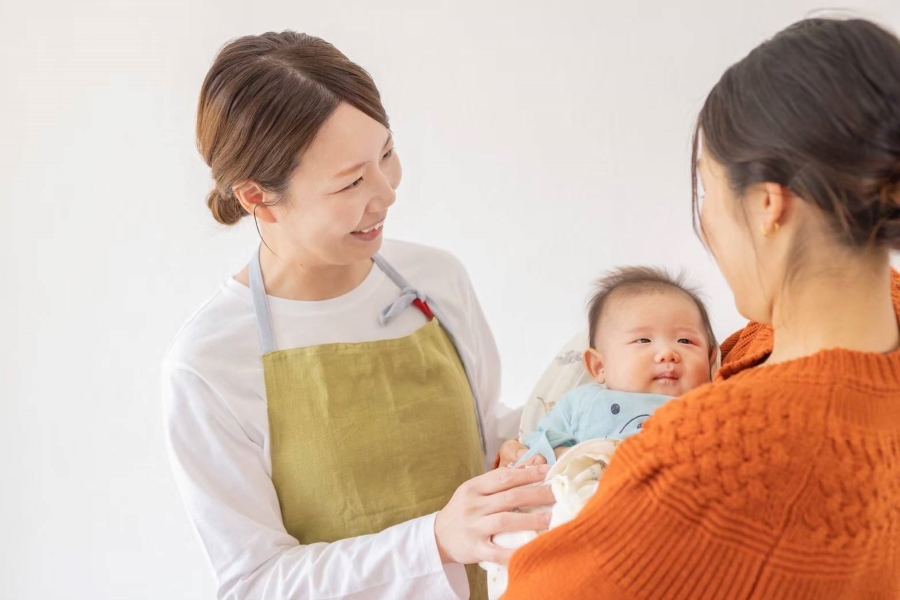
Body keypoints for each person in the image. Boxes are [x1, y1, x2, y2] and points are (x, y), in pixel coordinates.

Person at [503, 17, 900, 599]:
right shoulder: (831, 327)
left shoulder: (703, 460)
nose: (706, 220)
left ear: (769, 204)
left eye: (707, 190)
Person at [161, 31, 554, 600]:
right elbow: (256, 583)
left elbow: (485, 436)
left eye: (387, 154)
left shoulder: (437, 278)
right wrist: (435, 542)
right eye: (350, 181)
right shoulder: (209, 364)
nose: (387, 192)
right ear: (256, 197)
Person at [515, 266, 717, 467]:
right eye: (643, 340)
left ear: (710, 359)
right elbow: (536, 445)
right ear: (599, 366)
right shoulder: (581, 402)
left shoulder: (710, 405)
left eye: (685, 341)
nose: (667, 354)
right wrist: (560, 455)